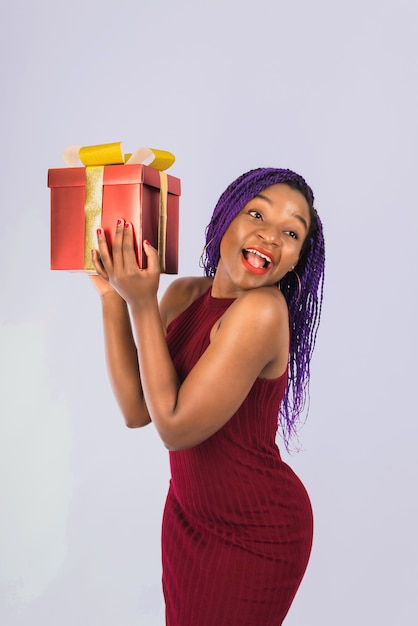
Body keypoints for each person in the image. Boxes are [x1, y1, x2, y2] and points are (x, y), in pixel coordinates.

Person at [90, 167, 325, 626]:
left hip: (255, 530)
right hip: (188, 513)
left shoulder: (262, 312)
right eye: (256, 212)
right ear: (226, 217)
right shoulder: (184, 294)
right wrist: (114, 299)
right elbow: (139, 410)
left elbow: (176, 429)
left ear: (296, 258)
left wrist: (140, 302)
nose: (270, 236)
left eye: (291, 232)